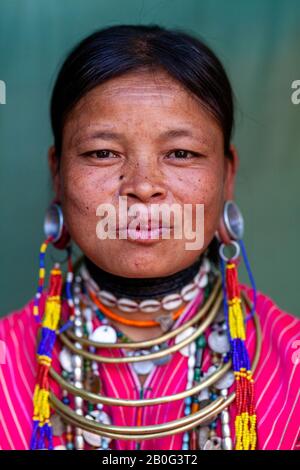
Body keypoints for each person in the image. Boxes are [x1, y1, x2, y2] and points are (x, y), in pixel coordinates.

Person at [0, 24, 299, 451]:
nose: (143, 186)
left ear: (226, 176)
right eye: (102, 153)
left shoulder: (291, 365)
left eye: (181, 153)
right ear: (58, 174)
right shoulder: (6, 363)